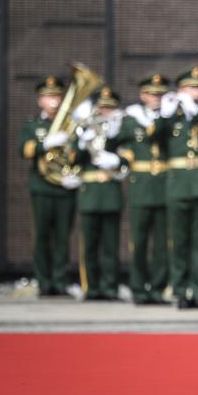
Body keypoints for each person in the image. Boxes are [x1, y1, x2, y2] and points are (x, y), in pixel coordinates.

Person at [157, 67, 198, 309]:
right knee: (178, 241)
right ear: (180, 91)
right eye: (190, 88)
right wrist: (164, 115)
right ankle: (179, 289)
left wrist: (197, 113)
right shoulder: (172, 118)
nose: (195, 92)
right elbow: (155, 140)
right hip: (178, 184)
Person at [114, 74, 171, 305]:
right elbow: (117, 144)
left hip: (164, 185)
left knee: (162, 243)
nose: (156, 97)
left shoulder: (169, 118)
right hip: (141, 186)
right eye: (151, 93)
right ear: (142, 95)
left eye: (160, 94)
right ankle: (138, 288)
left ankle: (158, 288)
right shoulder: (131, 120)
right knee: (138, 242)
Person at [19, 75, 78, 297]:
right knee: (42, 236)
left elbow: (79, 153)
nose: (53, 101)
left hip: (66, 188)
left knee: (63, 237)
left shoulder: (71, 125)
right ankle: (44, 281)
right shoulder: (33, 124)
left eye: (57, 96)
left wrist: (75, 173)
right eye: (48, 96)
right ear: (40, 101)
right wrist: (45, 144)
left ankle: (60, 281)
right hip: (42, 187)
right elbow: (24, 150)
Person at [73, 87, 126, 301]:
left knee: (111, 246)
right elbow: (74, 159)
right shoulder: (86, 128)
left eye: (109, 108)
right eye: (102, 108)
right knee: (89, 246)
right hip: (90, 193)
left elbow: (128, 156)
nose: (105, 112)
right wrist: (81, 143)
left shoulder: (118, 130)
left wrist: (115, 153)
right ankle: (91, 287)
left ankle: (110, 287)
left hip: (110, 192)